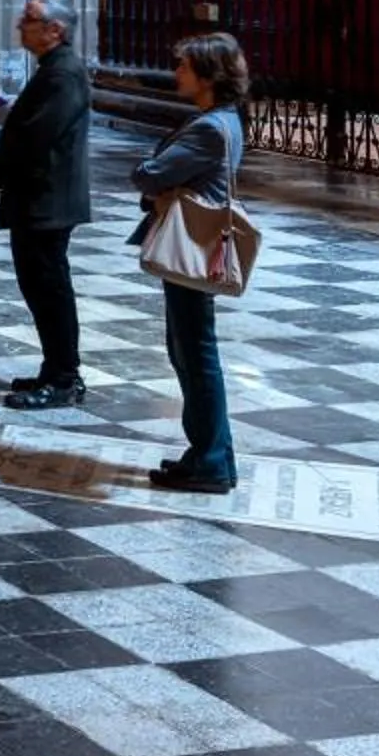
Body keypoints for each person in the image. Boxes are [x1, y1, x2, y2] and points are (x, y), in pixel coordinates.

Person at [130, 31, 250, 492]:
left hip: (193, 245)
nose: (176, 72)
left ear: (208, 76)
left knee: (194, 353)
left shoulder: (208, 128)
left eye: (184, 66)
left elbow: (148, 174)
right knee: (190, 349)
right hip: (198, 243)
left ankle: (211, 461)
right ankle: (211, 454)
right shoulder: (222, 120)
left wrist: (151, 176)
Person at [0, 0, 92, 409]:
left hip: (48, 201)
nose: (19, 25)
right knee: (40, 288)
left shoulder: (63, 75)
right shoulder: (54, 69)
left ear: (54, 30)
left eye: (29, 19)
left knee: (49, 289)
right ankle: (55, 368)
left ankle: (64, 379)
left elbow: (36, 137)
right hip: (41, 198)